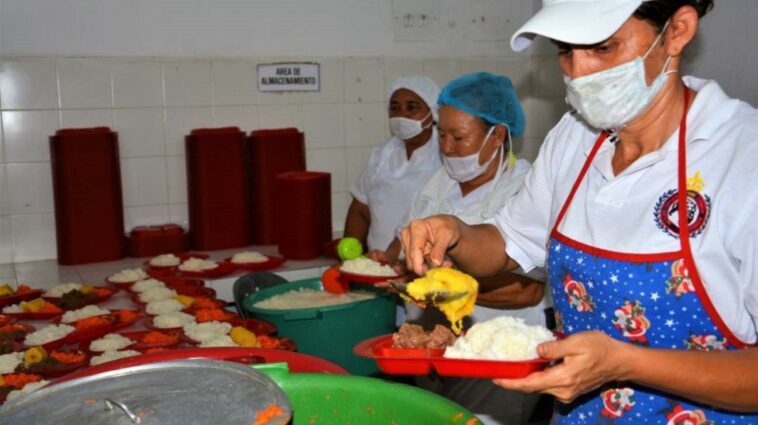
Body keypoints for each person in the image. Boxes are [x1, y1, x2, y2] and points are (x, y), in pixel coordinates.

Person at [401, 0, 758, 423]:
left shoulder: (741, 157)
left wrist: (624, 362)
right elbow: (507, 244)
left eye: (603, 47)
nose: (578, 71)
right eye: (565, 51)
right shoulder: (574, 139)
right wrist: (457, 232)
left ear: (677, 31)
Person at [378, 72, 547, 425]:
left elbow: (527, 291)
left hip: (494, 356)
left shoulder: (525, 190)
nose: (447, 148)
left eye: (459, 137)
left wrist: (443, 292)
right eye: (442, 135)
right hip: (433, 354)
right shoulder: (437, 183)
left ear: (497, 135)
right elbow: (409, 251)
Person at [344, 76, 442, 252]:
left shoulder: (444, 156)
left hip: (423, 266)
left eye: (412, 107)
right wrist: (351, 255)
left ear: (432, 111)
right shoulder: (381, 154)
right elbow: (359, 210)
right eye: (395, 108)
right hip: (378, 264)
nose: (402, 115)